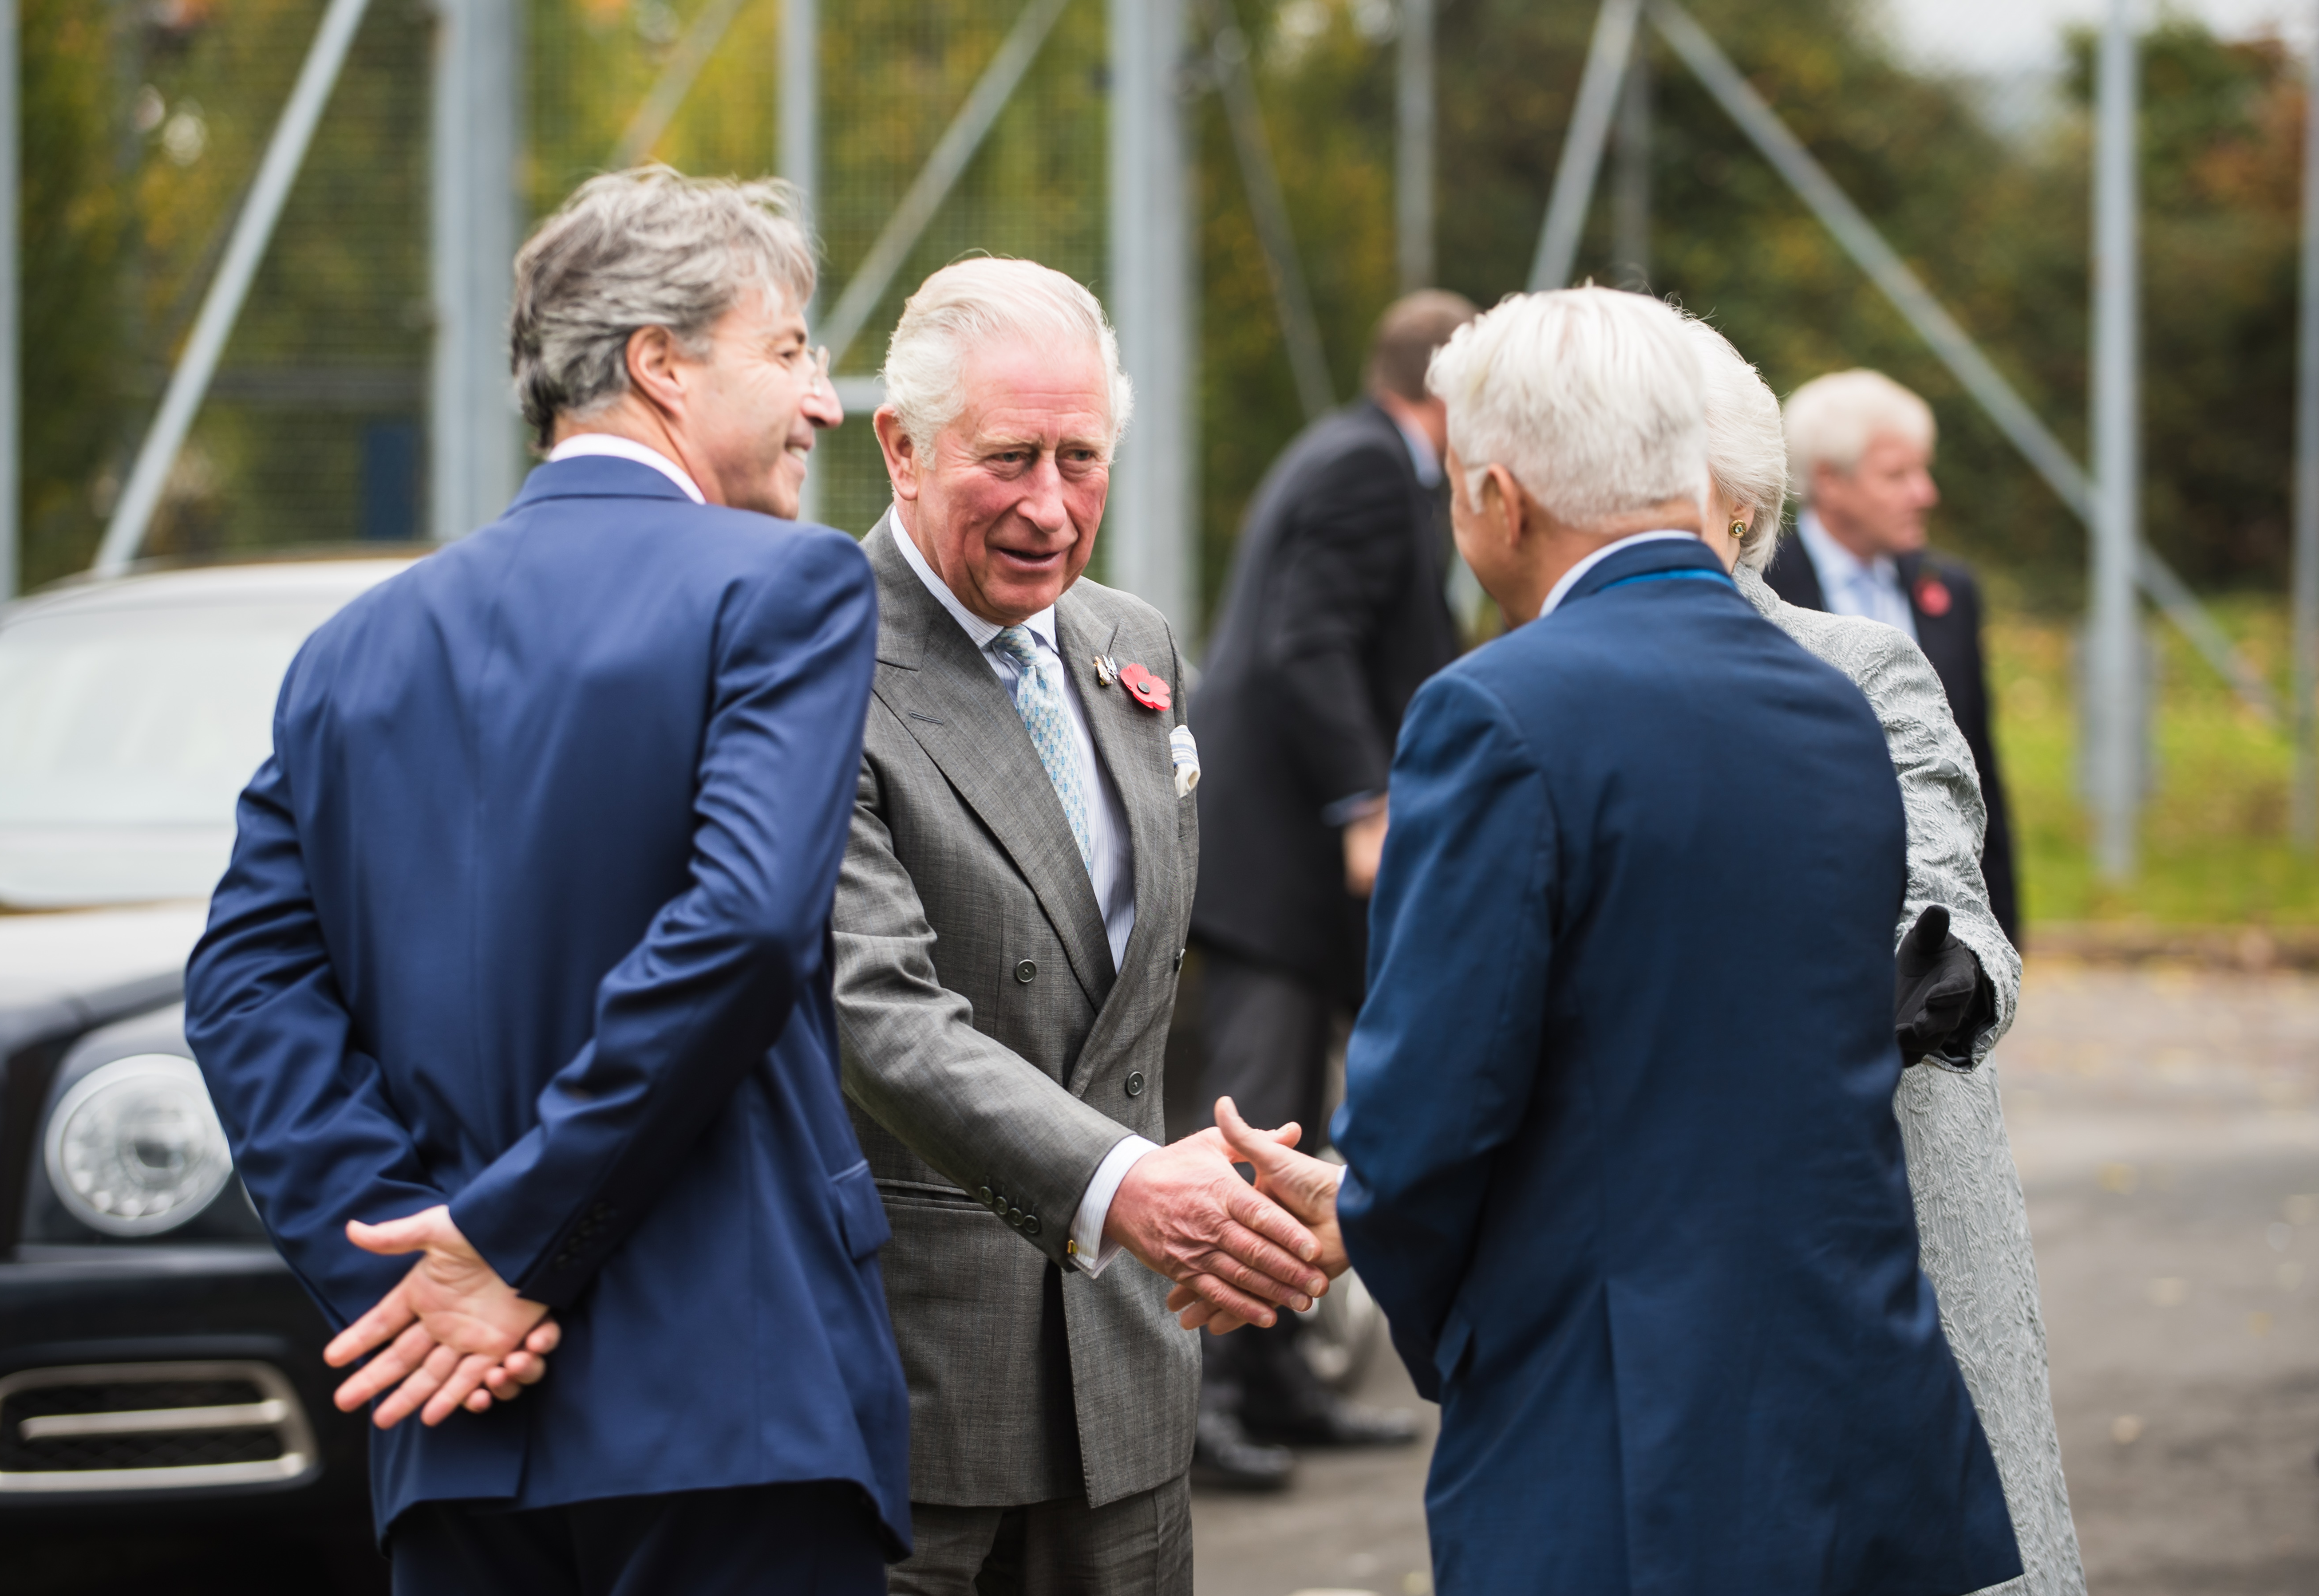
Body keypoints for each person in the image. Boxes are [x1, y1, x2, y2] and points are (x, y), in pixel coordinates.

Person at [1192, 287, 2023, 1596]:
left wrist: (1367, 1199)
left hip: (1624, 1427)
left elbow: (1439, 1095)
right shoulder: (1825, 706)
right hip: (1849, 1396)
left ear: (1497, 498)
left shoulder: (1493, 713)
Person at [184, 167, 911, 1593]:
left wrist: (411, 1280)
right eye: (786, 351)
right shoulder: (782, 586)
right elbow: (746, 927)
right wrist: (499, 1251)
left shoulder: (355, 648)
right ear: (658, 365)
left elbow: (244, 983)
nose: (821, 401)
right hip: (731, 1406)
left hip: (456, 1423)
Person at [831, 257, 1331, 1596]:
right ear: (900, 444)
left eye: (1082, 458)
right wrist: (1130, 1186)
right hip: (916, 1380)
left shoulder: (1131, 641)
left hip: (1129, 1375)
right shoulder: (815, 662)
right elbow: (874, 1015)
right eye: (1008, 459)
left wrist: (1218, 1188)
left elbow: (1126, 998)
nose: (1050, 508)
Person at [1677, 313, 2089, 1596]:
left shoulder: (1867, 655)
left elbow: (1939, 833)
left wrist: (1954, 958)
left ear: (1734, 506)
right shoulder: (1510, 692)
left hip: (1888, 1197)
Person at [1182, 290, 1476, 1483]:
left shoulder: (1369, 459)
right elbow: (1307, 640)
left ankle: (1281, 1376)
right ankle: (1198, 1403)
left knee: (1286, 1112)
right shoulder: (1366, 467)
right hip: (1273, 857)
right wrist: (1367, 802)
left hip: (1282, 857)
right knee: (1250, 1126)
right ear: (1445, 392)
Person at [1768, 370, 2019, 942]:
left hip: (1935, 930)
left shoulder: (1950, 593)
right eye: (1897, 474)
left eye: (1922, 470)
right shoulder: (1761, 589)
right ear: (1828, 480)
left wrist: (1998, 945)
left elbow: (1978, 771)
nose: (1925, 493)